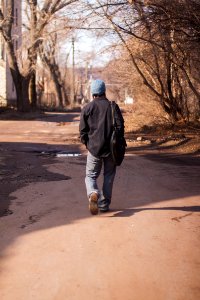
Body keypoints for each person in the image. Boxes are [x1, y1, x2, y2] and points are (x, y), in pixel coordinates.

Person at [79, 79, 125, 215]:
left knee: (90, 175)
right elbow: (120, 128)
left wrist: (88, 144)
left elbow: (82, 132)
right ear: (104, 91)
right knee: (109, 175)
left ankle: (93, 193)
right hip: (111, 149)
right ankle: (104, 205)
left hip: (94, 149)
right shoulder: (112, 107)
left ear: (93, 93)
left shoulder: (87, 108)